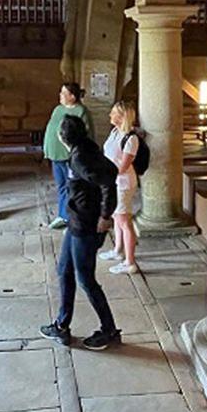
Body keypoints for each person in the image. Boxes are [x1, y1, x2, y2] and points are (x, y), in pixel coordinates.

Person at [39, 114, 122, 350]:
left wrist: (105, 216)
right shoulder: (83, 150)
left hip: (86, 225)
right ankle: (61, 326)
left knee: (86, 279)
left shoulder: (81, 158)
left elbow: (109, 178)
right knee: (64, 269)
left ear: (63, 137)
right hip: (77, 222)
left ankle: (109, 330)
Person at [42, 82, 94, 230]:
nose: (60, 95)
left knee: (73, 188)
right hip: (56, 155)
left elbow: (86, 135)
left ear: (72, 96)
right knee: (61, 186)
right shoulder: (58, 109)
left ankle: (73, 219)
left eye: (64, 93)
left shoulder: (81, 111)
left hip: (69, 157)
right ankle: (62, 215)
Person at [101, 99, 140, 274]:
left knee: (125, 221)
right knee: (117, 217)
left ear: (122, 116)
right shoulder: (115, 132)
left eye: (114, 113)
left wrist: (104, 174)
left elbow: (123, 166)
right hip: (113, 181)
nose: (110, 115)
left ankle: (130, 262)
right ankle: (118, 250)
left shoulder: (130, 138)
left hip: (123, 183)